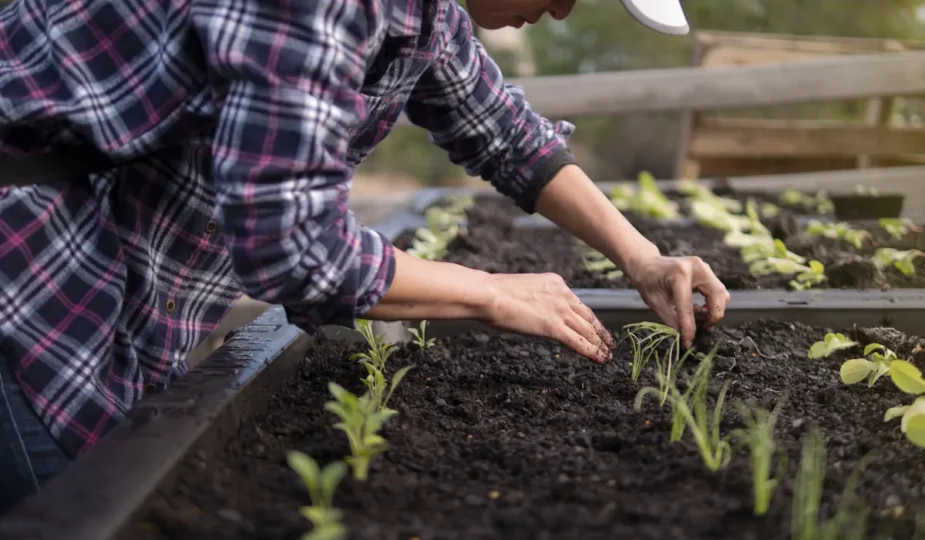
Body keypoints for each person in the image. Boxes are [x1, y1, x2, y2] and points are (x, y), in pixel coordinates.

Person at [0, 0, 729, 515]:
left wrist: (642, 257)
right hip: (31, 276)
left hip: (121, 287)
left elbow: (503, 131)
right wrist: (487, 291)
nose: (565, 11)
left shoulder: (423, 13)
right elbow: (293, 244)